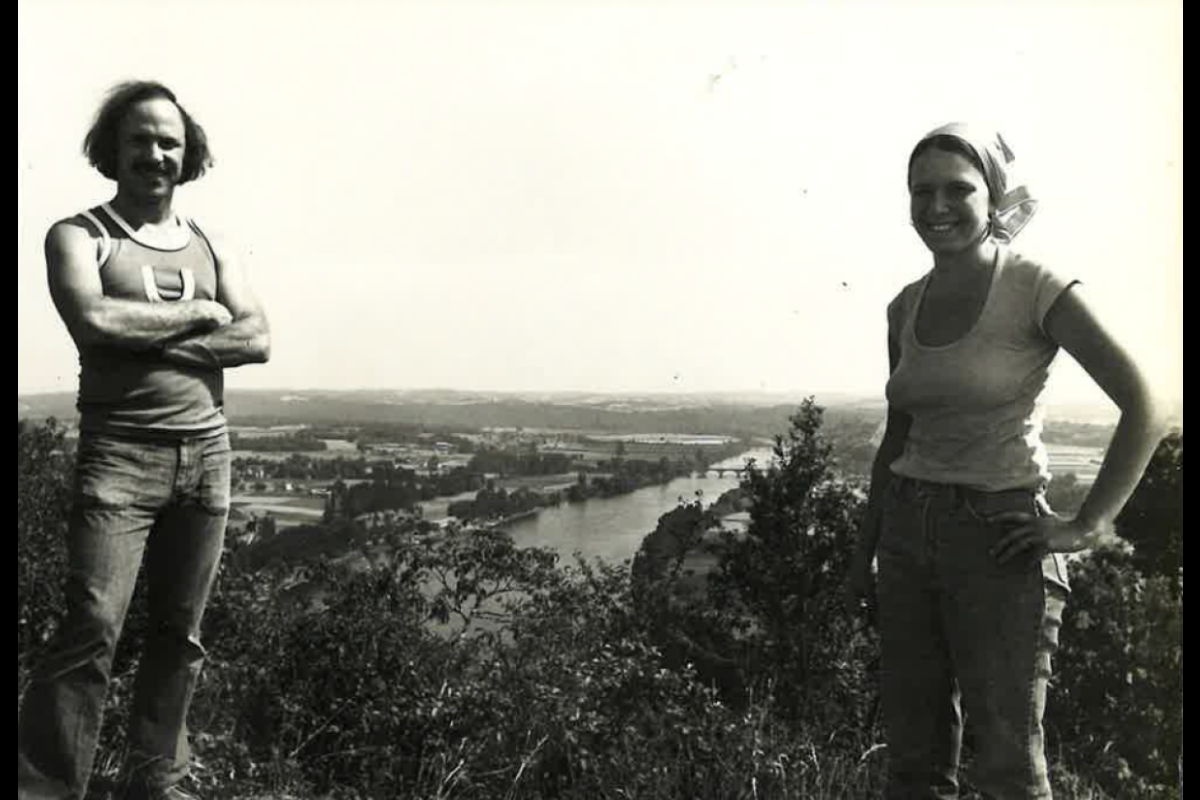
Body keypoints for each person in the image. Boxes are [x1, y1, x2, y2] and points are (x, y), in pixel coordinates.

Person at [845, 123, 1166, 799]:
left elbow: (1147, 404)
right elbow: (896, 442)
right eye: (920, 191)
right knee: (913, 765)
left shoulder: (1034, 287)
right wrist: (862, 556)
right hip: (905, 539)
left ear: (994, 198)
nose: (936, 207)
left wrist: (1085, 526)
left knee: (1006, 767)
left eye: (957, 189)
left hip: (997, 539)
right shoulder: (903, 306)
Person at [18, 80, 270, 800]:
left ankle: (155, 784)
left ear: (188, 156)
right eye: (140, 140)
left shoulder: (213, 240)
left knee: (179, 636)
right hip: (119, 459)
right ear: (112, 148)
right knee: (91, 630)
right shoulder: (79, 235)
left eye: (170, 142)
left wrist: (148, 335)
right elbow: (95, 325)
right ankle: (43, 789)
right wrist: (200, 312)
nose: (155, 154)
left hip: (206, 458)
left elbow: (256, 337)